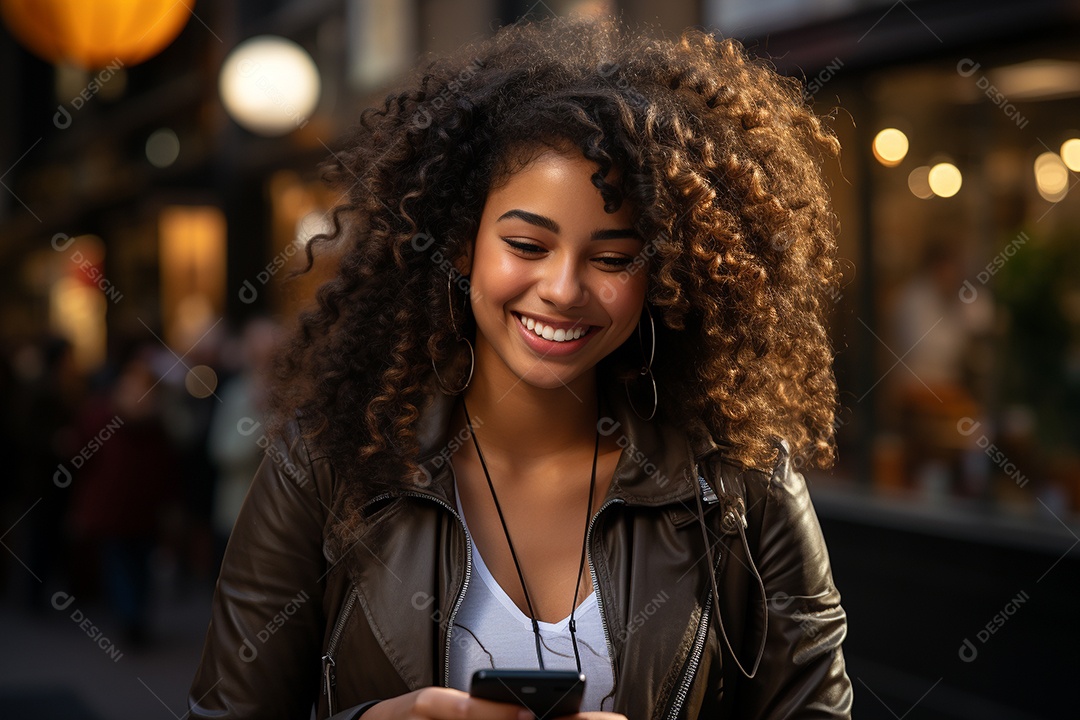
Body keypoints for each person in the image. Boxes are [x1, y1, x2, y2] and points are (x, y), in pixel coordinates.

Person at [189, 17, 852, 720]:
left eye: (612, 257)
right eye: (527, 244)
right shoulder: (327, 464)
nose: (564, 289)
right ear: (460, 241)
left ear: (663, 272)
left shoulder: (742, 480)